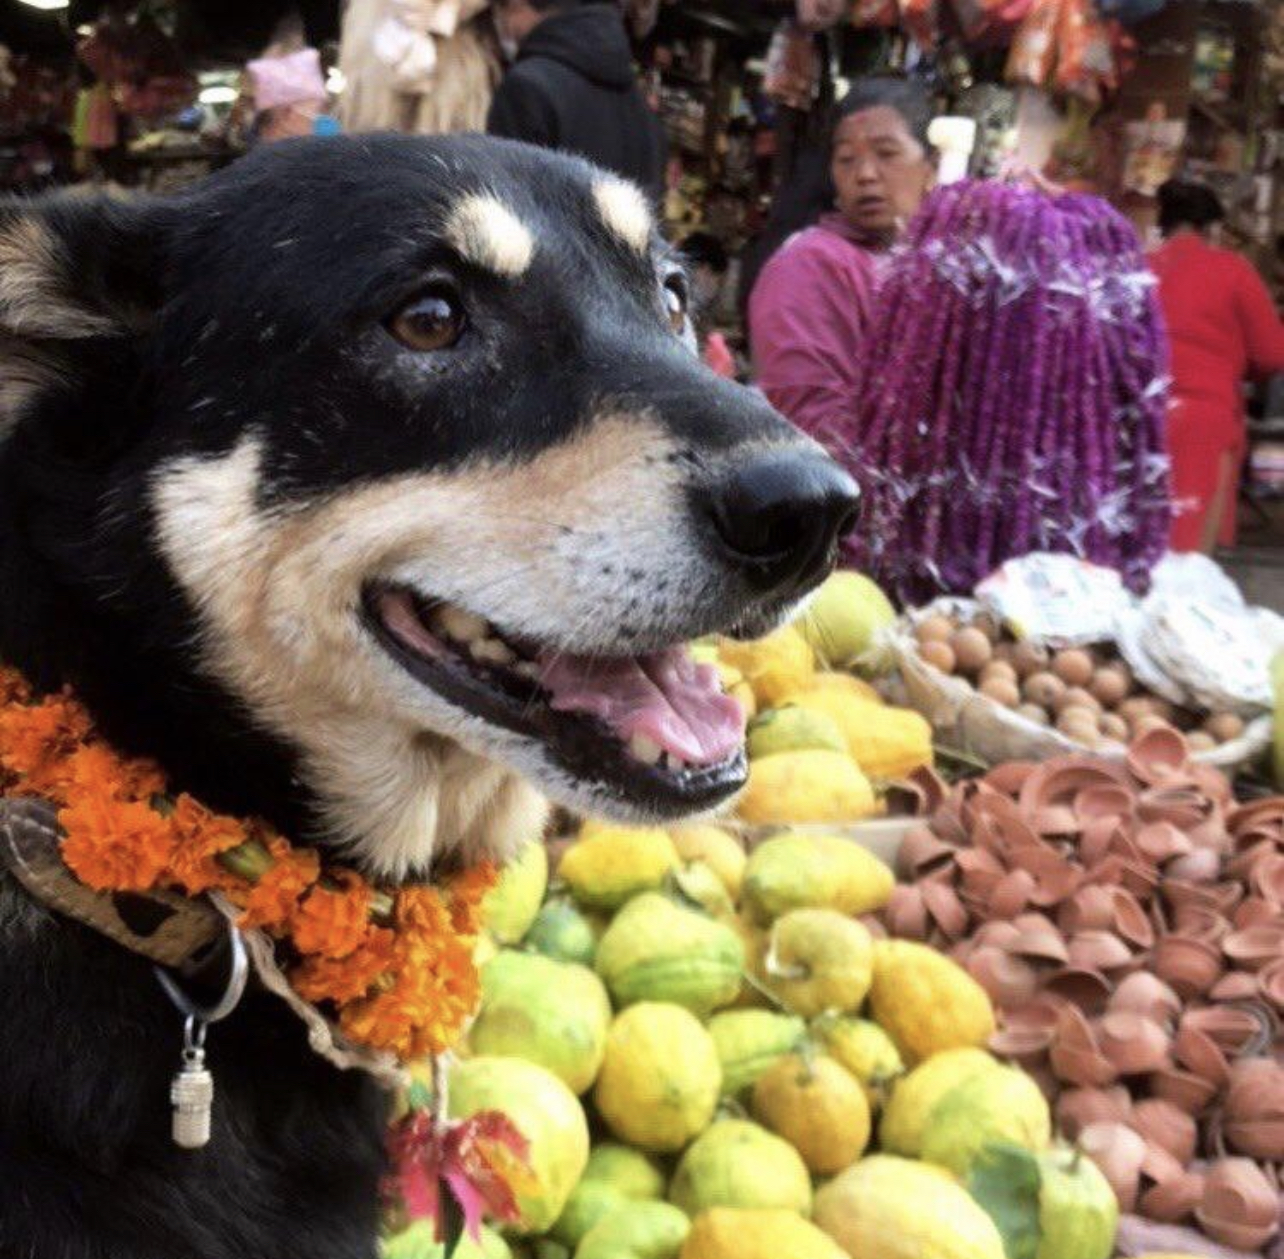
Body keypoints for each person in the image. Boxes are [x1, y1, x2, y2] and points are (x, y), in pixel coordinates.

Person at [746, 78, 935, 462]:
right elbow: (810, 424)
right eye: (847, 159)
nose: (865, 174)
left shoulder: (937, 264)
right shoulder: (809, 264)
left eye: (886, 153)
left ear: (931, 167)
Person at [1150, 179, 1284, 552]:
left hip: (1137, 416)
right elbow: (1272, 353)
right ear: (1212, 228)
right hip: (1203, 422)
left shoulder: (1140, 268)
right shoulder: (1232, 270)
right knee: (1186, 556)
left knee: (1133, 545)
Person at [487, 0, 666, 203]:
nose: (505, 25)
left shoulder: (526, 88)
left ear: (519, 5)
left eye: (505, 7)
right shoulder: (644, 113)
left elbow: (503, 204)